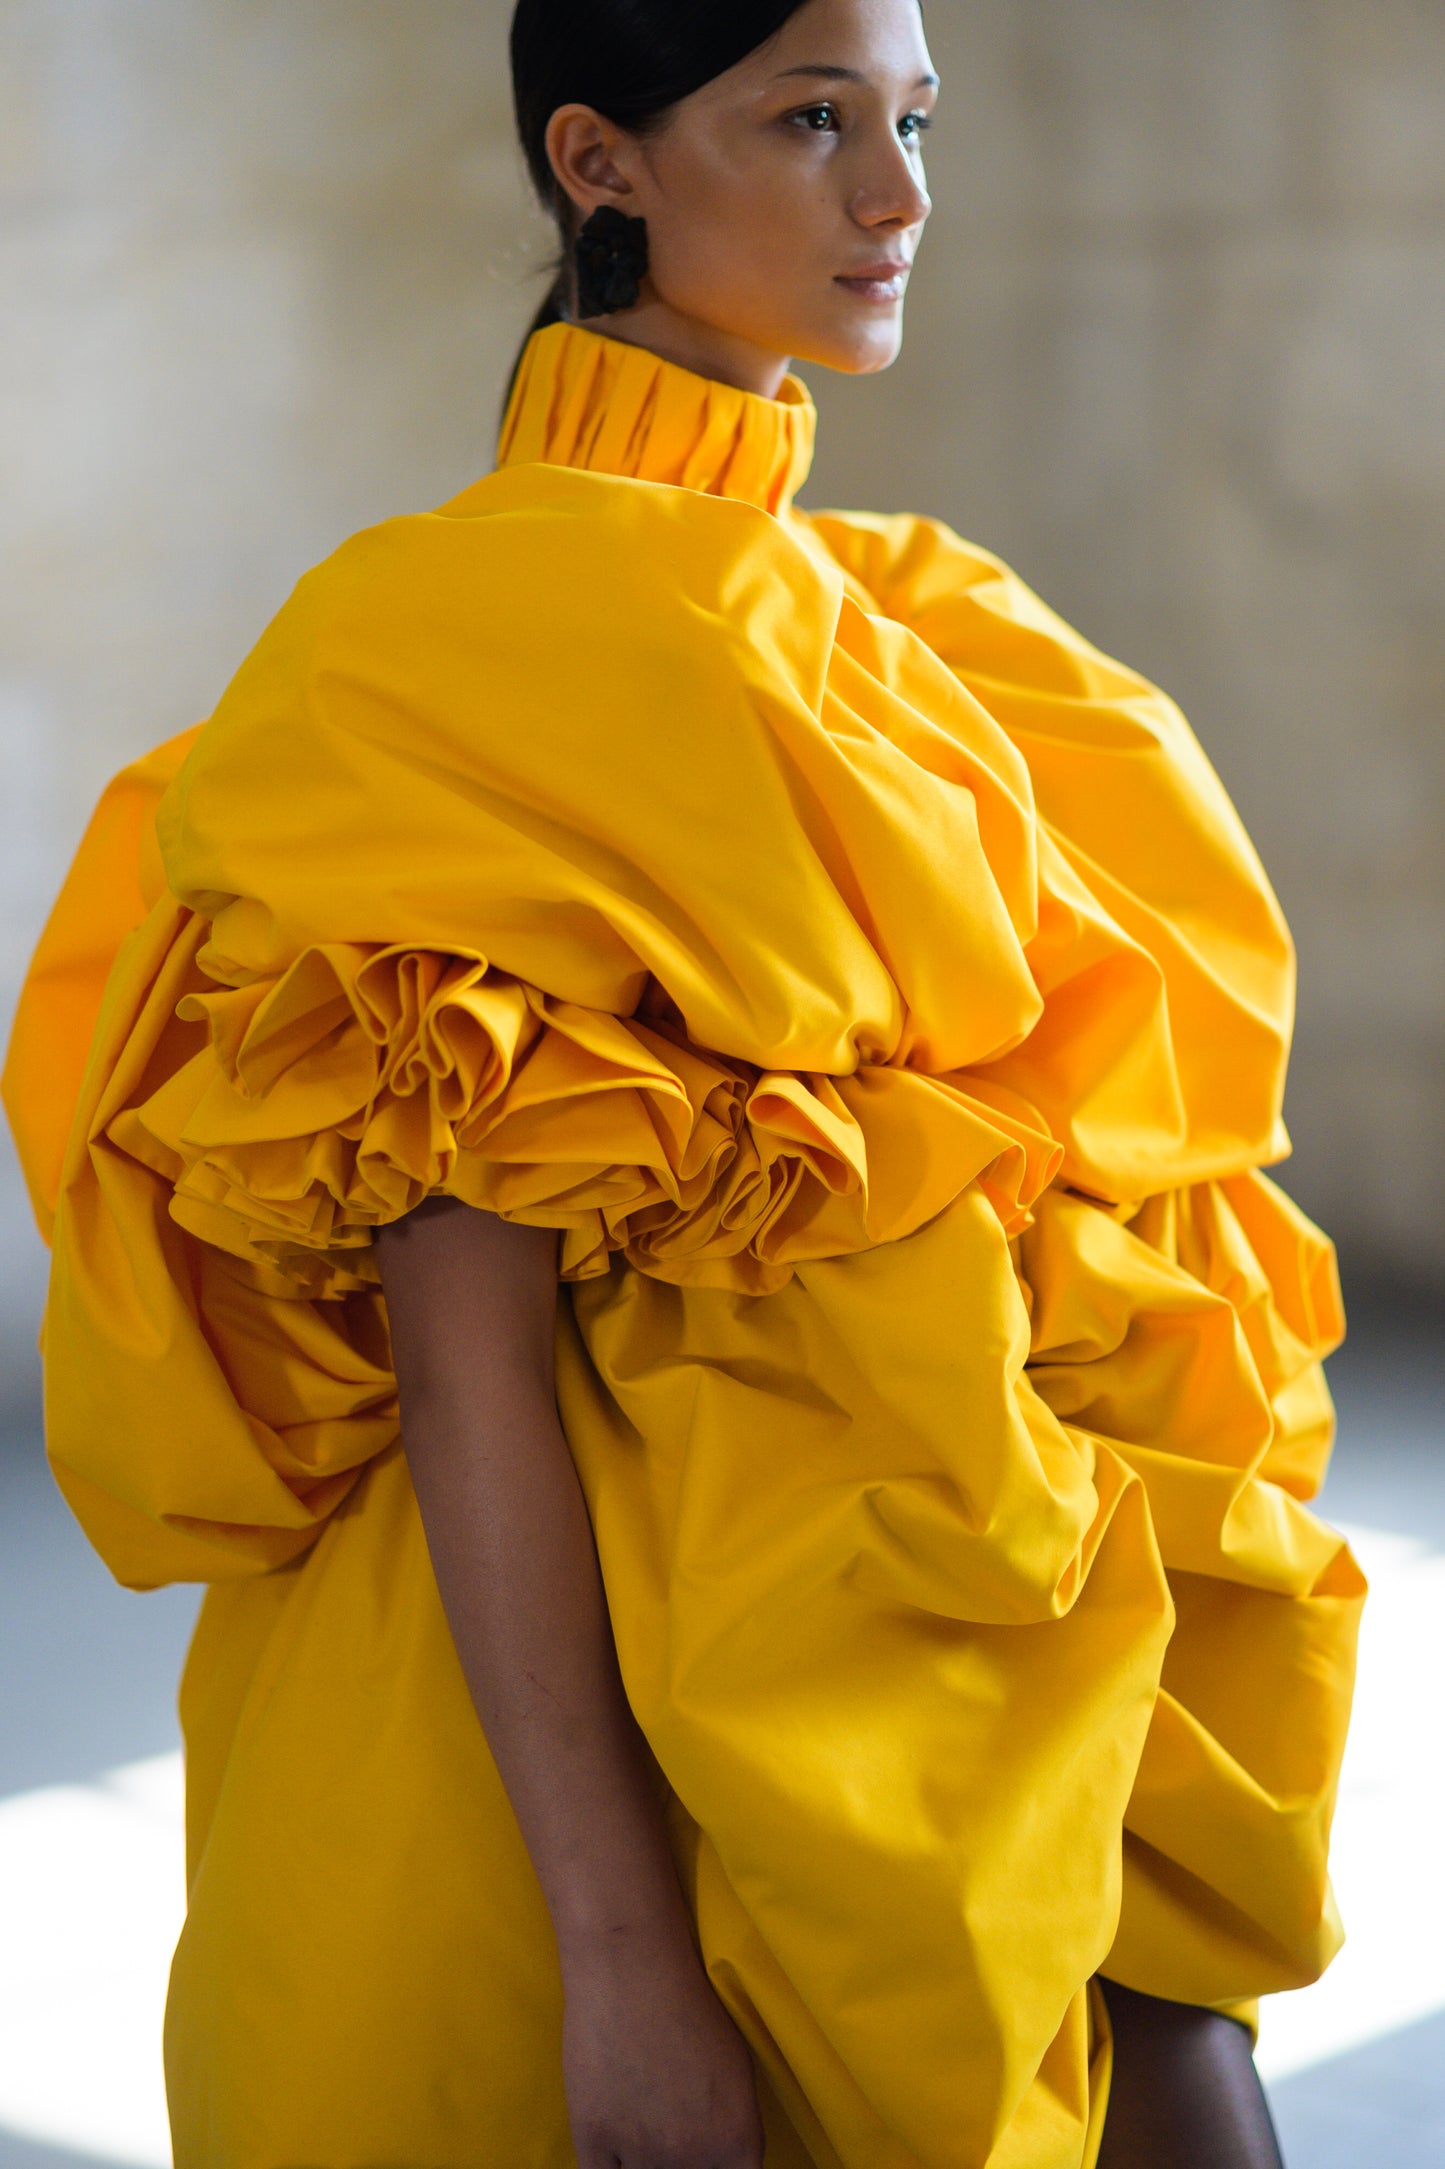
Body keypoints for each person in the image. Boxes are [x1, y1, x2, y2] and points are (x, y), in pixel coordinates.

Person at [3, 2, 1363, 2164]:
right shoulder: (450, 648)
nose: (898, 195)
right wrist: (624, 1966)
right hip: (587, 1748)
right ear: (599, 158)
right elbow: (468, 1366)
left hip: (994, 1657)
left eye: (916, 120)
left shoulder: (946, 636)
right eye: (811, 120)